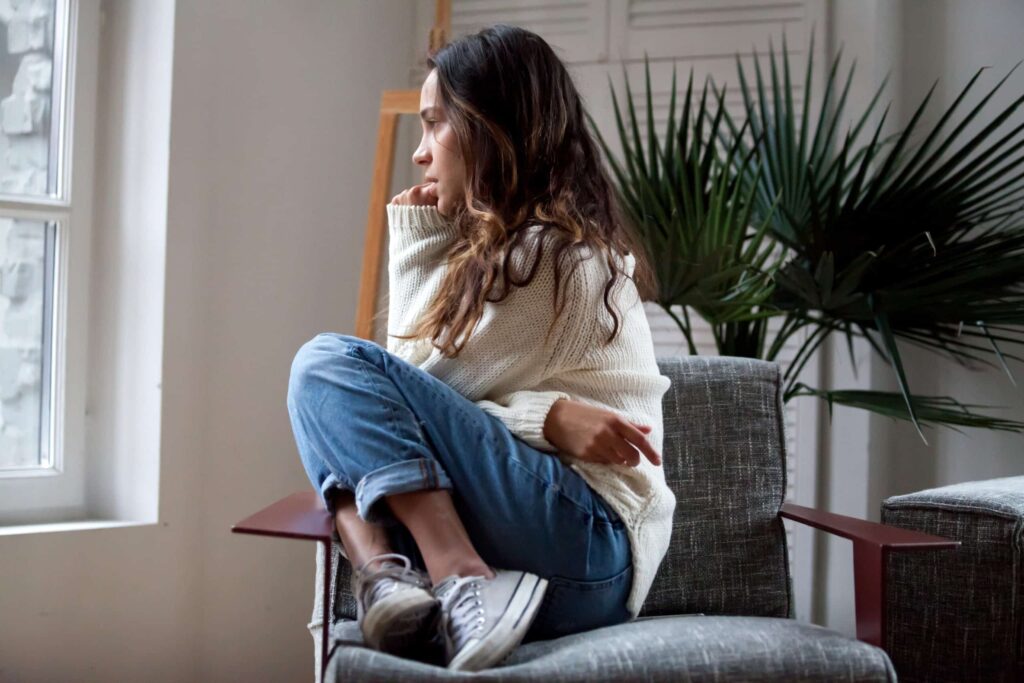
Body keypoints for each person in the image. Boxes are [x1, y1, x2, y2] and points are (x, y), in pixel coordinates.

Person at [286, 23, 674, 673]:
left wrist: (413, 239)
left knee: (324, 366)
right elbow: (402, 418)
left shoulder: (553, 256)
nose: (420, 154)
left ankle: (448, 571)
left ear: (491, 128)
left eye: (435, 125)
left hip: (586, 540)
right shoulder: (503, 254)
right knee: (346, 424)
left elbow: (402, 388)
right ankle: (389, 581)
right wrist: (545, 416)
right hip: (552, 549)